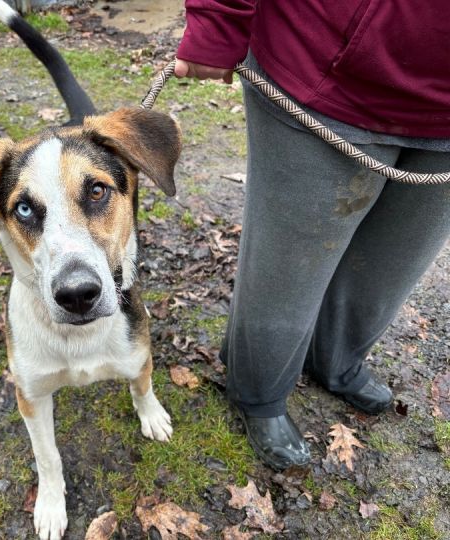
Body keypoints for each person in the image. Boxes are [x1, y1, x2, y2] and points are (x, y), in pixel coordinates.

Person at [174, 0, 450, 469]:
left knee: (392, 262)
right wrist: (218, 19)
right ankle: (258, 390)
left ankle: (335, 361)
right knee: (289, 267)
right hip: (323, 67)